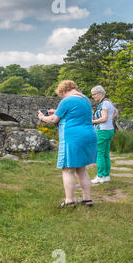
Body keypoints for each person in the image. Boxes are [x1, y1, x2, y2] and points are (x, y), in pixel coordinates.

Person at [38, 80, 97, 208]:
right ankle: (87, 200)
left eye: (61, 95)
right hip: (89, 134)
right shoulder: (85, 99)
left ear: (63, 91)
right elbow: (74, 114)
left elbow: (54, 119)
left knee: (68, 169)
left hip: (73, 137)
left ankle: (69, 201)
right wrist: (57, 111)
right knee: (81, 168)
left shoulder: (67, 100)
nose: (61, 97)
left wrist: (42, 117)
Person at [91, 85, 119, 184]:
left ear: (100, 94)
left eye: (94, 94)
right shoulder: (109, 102)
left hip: (102, 131)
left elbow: (104, 118)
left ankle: (100, 176)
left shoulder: (103, 104)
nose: (93, 96)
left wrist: (93, 121)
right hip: (109, 130)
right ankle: (106, 175)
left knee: (100, 154)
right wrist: (110, 119)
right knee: (105, 154)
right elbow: (115, 111)